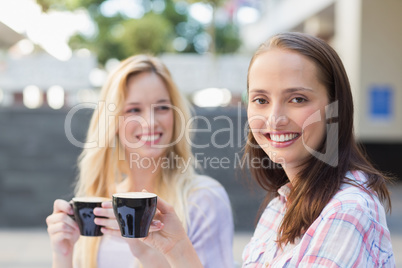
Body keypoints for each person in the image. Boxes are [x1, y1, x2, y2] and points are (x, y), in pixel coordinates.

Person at [136, 32, 396, 267]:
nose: (275, 118)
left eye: (297, 99)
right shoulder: (281, 205)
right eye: (261, 100)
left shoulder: (347, 211)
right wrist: (176, 248)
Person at [45, 54, 234, 268]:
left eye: (162, 107)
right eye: (134, 110)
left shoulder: (203, 200)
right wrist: (62, 255)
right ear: (113, 122)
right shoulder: (101, 202)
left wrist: (151, 256)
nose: (150, 122)